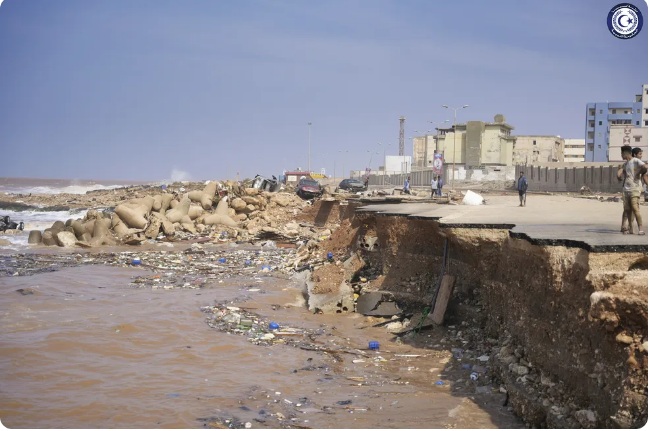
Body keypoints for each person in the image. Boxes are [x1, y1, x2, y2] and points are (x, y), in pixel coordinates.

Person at [617, 145, 646, 235]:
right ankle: (630, 228)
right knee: (627, 209)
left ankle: (640, 229)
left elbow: (645, 166)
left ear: (626, 153)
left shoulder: (636, 161)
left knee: (635, 208)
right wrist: (618, 176)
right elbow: (620, 171)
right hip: (626, 190)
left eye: (622, 153)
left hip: (635, 189)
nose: (621, 155)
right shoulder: (625, 164)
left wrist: (639, 172)